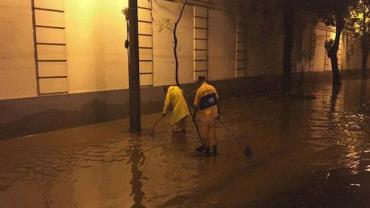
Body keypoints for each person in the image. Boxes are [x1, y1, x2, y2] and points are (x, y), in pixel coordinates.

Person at [193, 76, 219, 155]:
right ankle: (215, 151)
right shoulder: (212, 88)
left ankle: (207, 151)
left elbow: (196, 105)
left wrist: (194, 115)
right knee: (213, 132)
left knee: (205, 134)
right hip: (214, 114)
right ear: (205, 80)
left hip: (205, 116)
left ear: (200, 81)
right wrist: (218, 113)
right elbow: (217, 100)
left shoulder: (199, 90)